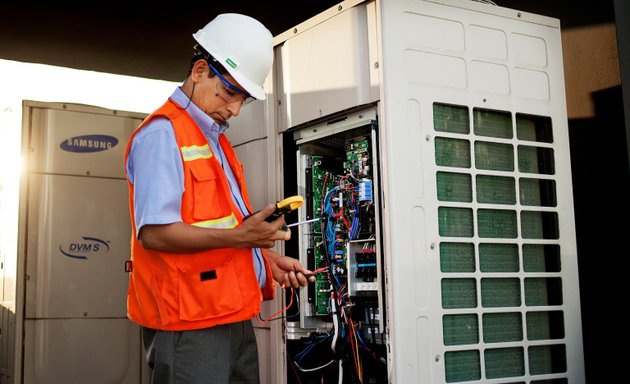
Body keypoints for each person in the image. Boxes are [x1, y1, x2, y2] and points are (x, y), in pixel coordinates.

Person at [123, 13, 313, 384]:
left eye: (243, 99)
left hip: (233, 319)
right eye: (229, 92)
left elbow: (216, 227)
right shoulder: (162, 134)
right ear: (199, 71)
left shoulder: (216, 141)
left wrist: (263, 257)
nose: (235, 109)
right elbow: (156, 234)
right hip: (189, 326)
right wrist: (244, 238)